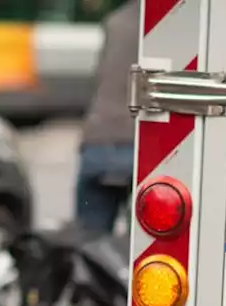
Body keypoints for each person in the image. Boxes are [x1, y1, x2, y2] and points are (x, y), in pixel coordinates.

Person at [75, 0, 140, 236]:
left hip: (98, 142)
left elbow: (99, 78)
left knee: (89, 242)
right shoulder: (173, 26)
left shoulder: (115, 21)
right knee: (145, 246)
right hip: (139, 146)